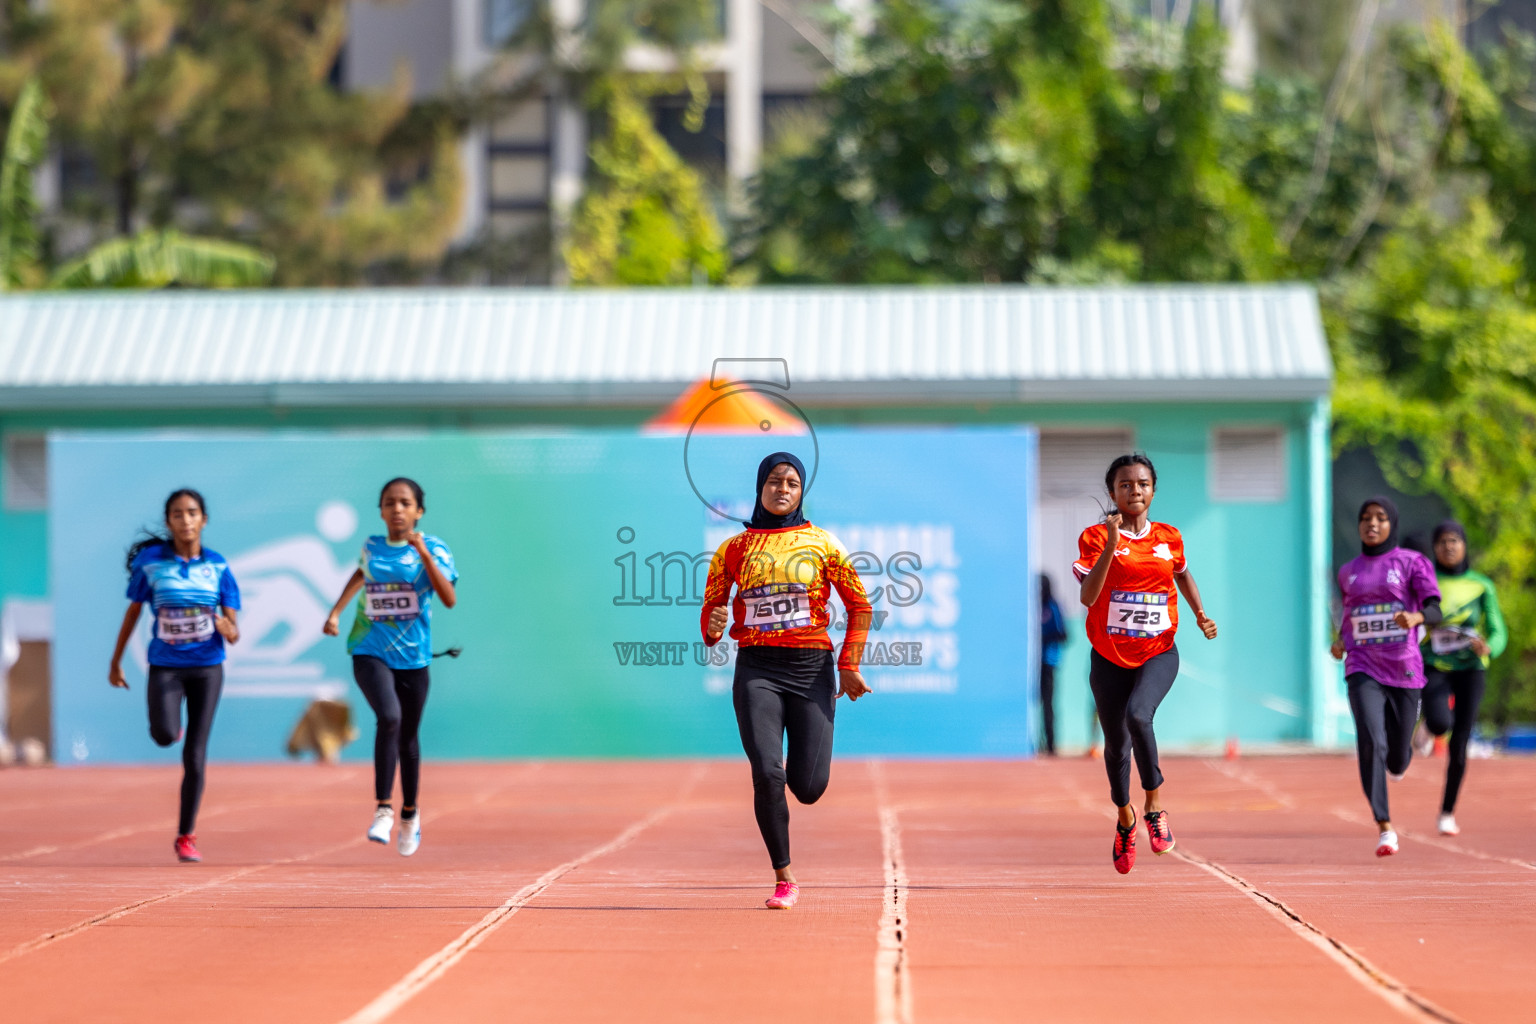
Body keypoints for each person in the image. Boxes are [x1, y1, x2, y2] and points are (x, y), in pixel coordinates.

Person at [701, 452, 872, 909]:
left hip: (812, 669)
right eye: (775, 481)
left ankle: (798, 796)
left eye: (792, 483)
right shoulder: (733, 550)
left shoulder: (822, 544)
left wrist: (849, 664)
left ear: (802, 492)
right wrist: (714, 624)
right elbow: (712, 615)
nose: (783, 489)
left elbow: (860, 606)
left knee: (809, 788)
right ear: (760, 488)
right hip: (757, 669)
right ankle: (784, 876)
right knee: (767, 773)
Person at [1072, 454, 1218, 874]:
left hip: (1158, 651)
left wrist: (1199, 613)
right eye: (1124, 485)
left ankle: (1155, 805)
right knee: (1116, 745)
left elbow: (1183, 574)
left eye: (1142, 484)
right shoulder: (1095, 538)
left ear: (1152, 490)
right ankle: (1125, 819)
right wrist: (1114, 545)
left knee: (1141, 716)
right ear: (1112, 492)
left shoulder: (1169, 537)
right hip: (1109, 657)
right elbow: (1088, 597)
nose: (1134, 491)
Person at [324, 478, 457, 857]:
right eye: (389, 503)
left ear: (419, 511)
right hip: (369, 648)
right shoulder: (372, 547)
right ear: (381, 511)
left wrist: (425, 556)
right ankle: (383, 807)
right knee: (390, 717)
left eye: (404, 503)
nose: (396, 509)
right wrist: (335, 612)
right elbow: (361, 574)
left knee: (408, 737)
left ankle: (410, 814)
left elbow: (448, 598)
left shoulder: (434, 549)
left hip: (414, 657)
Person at [108, 489, 241, 863]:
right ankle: (171, 722)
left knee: (194, 755)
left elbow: (234, 630)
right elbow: (133, 613)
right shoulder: (152, 564)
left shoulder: (217, 567)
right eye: (178, 514)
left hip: (206, 668)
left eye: (192, 513)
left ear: (204, 520)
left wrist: (227, 628)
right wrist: (116, 660)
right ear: (168, 522)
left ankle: (186, 835)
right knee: (165, 735)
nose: (185, 521)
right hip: (166, 665)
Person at [1331, 496, 1441, 857]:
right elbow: (1350, 615)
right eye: (1365, 518)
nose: (1371, 524)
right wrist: (1340, 643)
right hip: (1362, 664)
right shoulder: (1349, 571)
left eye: (1380, 518)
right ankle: (1385, 826)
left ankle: (1401, 757)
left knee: (1397, 756)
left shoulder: (1412, 563)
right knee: (1370, 741)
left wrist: (1417, 618)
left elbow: (1434, 608)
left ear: (1391, 523)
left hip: (1404, 666)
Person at [1414, 520, 1505, 835]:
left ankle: (1447, 812)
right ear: (1434, 548)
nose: (1448, 547)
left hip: (1471, 668)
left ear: (1464, 545)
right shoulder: (1426, 582)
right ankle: (1428, 724)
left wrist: (1489, 646)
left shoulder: (1481, 586)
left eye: (1454, 540)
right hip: (1435, 665)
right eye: (1441, 541)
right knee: (1441, 722)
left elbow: (1498, 630)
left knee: (1460, 743)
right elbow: (1414, 621)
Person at [1038, 574, 1067, 756]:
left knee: (1047, 703)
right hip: (1029, 664)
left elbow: (1063, 633)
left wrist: (1041, 639)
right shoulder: (1029, 605)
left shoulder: (1052, 606)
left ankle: (1050, 744)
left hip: (1048, 661)